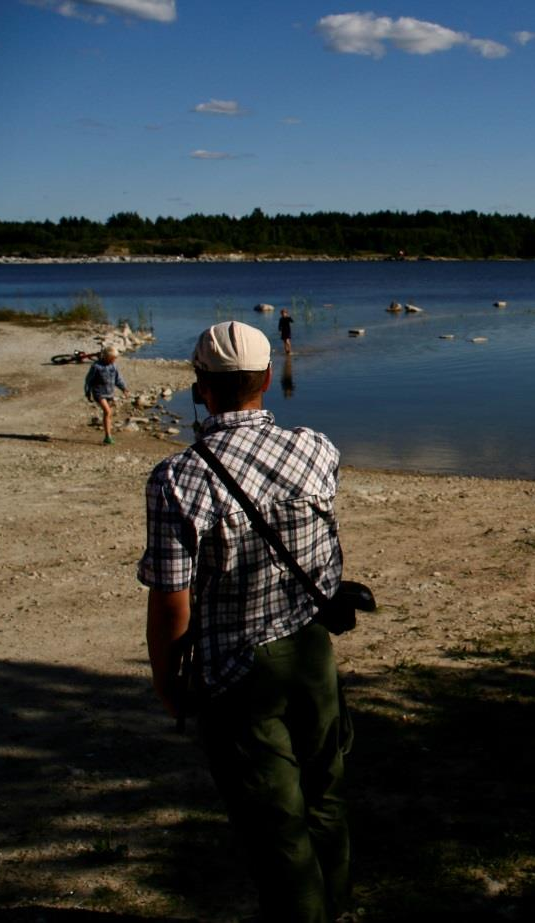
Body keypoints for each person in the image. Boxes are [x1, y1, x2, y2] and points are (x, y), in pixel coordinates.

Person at [139, 321, 350, 922]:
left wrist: (167, 679)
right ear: (266, 379)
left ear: (200, 387)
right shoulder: (316, 447)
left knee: (274, 818)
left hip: (236, 668)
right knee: (325, 793)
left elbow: (171, 601)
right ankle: (336, 907)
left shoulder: (179, 478)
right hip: (311, 649)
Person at [84, 345, 129, 445]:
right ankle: (108, 436)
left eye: (115, 358)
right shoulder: (96, 366)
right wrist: (87, 392)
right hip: (98, 392)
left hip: (109, 393)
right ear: (107, 357)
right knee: (108, 412)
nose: (114, 360)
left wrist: (124, 389)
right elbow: (88, 380)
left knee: (108, 415)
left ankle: (107, 437)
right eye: (113, 358)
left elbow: (118, 379)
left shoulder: (114, 366)